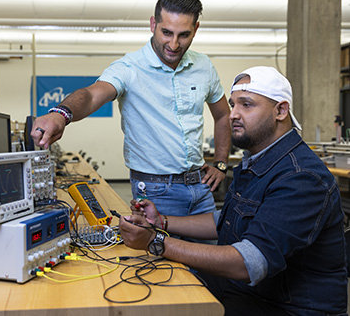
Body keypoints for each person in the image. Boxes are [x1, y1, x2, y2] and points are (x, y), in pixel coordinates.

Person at [118, 66, 348, 315]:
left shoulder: (301, 177)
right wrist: (162, 221)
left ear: (280, 110)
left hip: (289, 308)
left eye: (246, 105)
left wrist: (155, 241)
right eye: (233, 105)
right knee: (155, 291)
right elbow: (226, 218)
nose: (232, 115)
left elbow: (248, 263)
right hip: (250, 292)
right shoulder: (257, 161)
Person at [32, 0, 231, 219]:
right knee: (160, 255)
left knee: (210, 252)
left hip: (201, 189)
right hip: (156, 191)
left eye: (184, 35)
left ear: (195, 29)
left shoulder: (203, 66)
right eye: (166, 32)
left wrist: (221, 164)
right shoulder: (128, 68)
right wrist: (61, 113)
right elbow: (91, 95)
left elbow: (223, 115)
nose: (174, 44)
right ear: (153, 24)